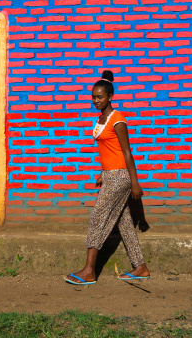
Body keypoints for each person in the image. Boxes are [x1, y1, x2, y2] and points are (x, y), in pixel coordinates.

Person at [64, 70, 150, 285]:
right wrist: (103, 172)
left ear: (110, 96)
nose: (95, 100)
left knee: (97, 218)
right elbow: (108, 149)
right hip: (110, 175)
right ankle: (140, 267)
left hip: (121, 176)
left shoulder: (117, 120)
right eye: (93, 97)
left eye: (99, 97)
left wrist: (135, 182)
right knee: (124, 223)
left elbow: (126, 152)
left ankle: (89, 271)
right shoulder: (101, 118)